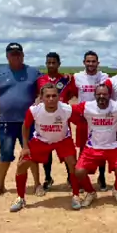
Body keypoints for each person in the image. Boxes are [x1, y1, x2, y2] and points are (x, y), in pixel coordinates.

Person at [0, 42, 41, 198]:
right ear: (7, 56)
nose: (16, 57)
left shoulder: (33, 73)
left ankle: (37, 184)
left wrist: (39, 101)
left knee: (31, 153)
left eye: (18, 54)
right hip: (6, 121)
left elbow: (44, 91)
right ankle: (0, 185)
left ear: (23, 55)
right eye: (12, 54)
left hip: (29, 122)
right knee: (5, 153)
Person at [9, 84, 82, 212]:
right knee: (22, 164)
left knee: (72, 163)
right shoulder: (34, 110)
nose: (51, 99)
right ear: (41, 98)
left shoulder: (66, 109)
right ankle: (20, 198)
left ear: (59, 97)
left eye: (54, 96)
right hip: (41, 140)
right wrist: (25, 147)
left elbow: (80, 122)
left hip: (62, 140)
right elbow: (25, 126)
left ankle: (76, 195)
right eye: (47, 96)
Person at [72, 84, 117, 209]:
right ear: (94, 95)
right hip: (92, 147)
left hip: (113, 147)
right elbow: (66, 109)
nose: (101, 96)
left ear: (109, 95)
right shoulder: (86, 106)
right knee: (79, 172)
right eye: (99, 94)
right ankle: (91, 192)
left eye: (104, 94)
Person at [60, 52, 110, 191]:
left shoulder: (104, 77)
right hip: (83, 118)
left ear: (98, 63)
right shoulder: (77, 77)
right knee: (83, 149)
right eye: (88, 61)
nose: (91, 64)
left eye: (93, 61)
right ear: (84, 62)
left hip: (100, 117)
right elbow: (68, 92)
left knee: (101, 147)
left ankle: (101, 176)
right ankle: (82, 179)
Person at [36, 52, 71, 190]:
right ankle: (48, 178)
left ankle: (70, 178)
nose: (51, 65)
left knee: (66, 150)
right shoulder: (40, 80)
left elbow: (72, 93)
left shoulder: (66, 79)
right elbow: (37, 97)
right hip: (45, 119)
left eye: (53, 62)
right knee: (47, 150)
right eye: (48, 62)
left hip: (61, 119)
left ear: (59, 64)